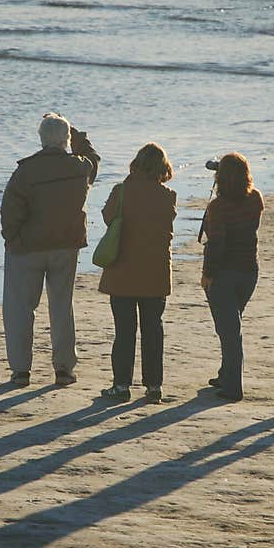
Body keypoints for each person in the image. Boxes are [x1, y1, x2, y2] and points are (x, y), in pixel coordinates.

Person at [0, 113, 100, 387]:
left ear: (41, 139)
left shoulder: (26, 171)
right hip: (65, 246)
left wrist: (12, 239)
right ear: (66, 140)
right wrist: (78, 136)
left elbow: (10, 212)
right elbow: (93, 160)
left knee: (20, 309)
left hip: (28, 247)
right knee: (61, 307)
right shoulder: (79, 167)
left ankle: (21, 371)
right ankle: (64, 369)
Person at [99, 143, 177, 403]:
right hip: (155, 272)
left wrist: (129, 182)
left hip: (122, 270)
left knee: (124, 331)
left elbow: (109, 217)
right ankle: (154, 386)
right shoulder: (168, 196)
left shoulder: (121, 191)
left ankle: (121, 385)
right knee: (153, 330)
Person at [201, 152, 265, 402]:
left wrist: (208, 274)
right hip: (249, 271)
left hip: (225, 273)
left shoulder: (217, 207)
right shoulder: (256, 199)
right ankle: (226, 373)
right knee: (229, 326)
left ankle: (232, 387)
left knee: (229, 331)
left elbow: (216, 245)